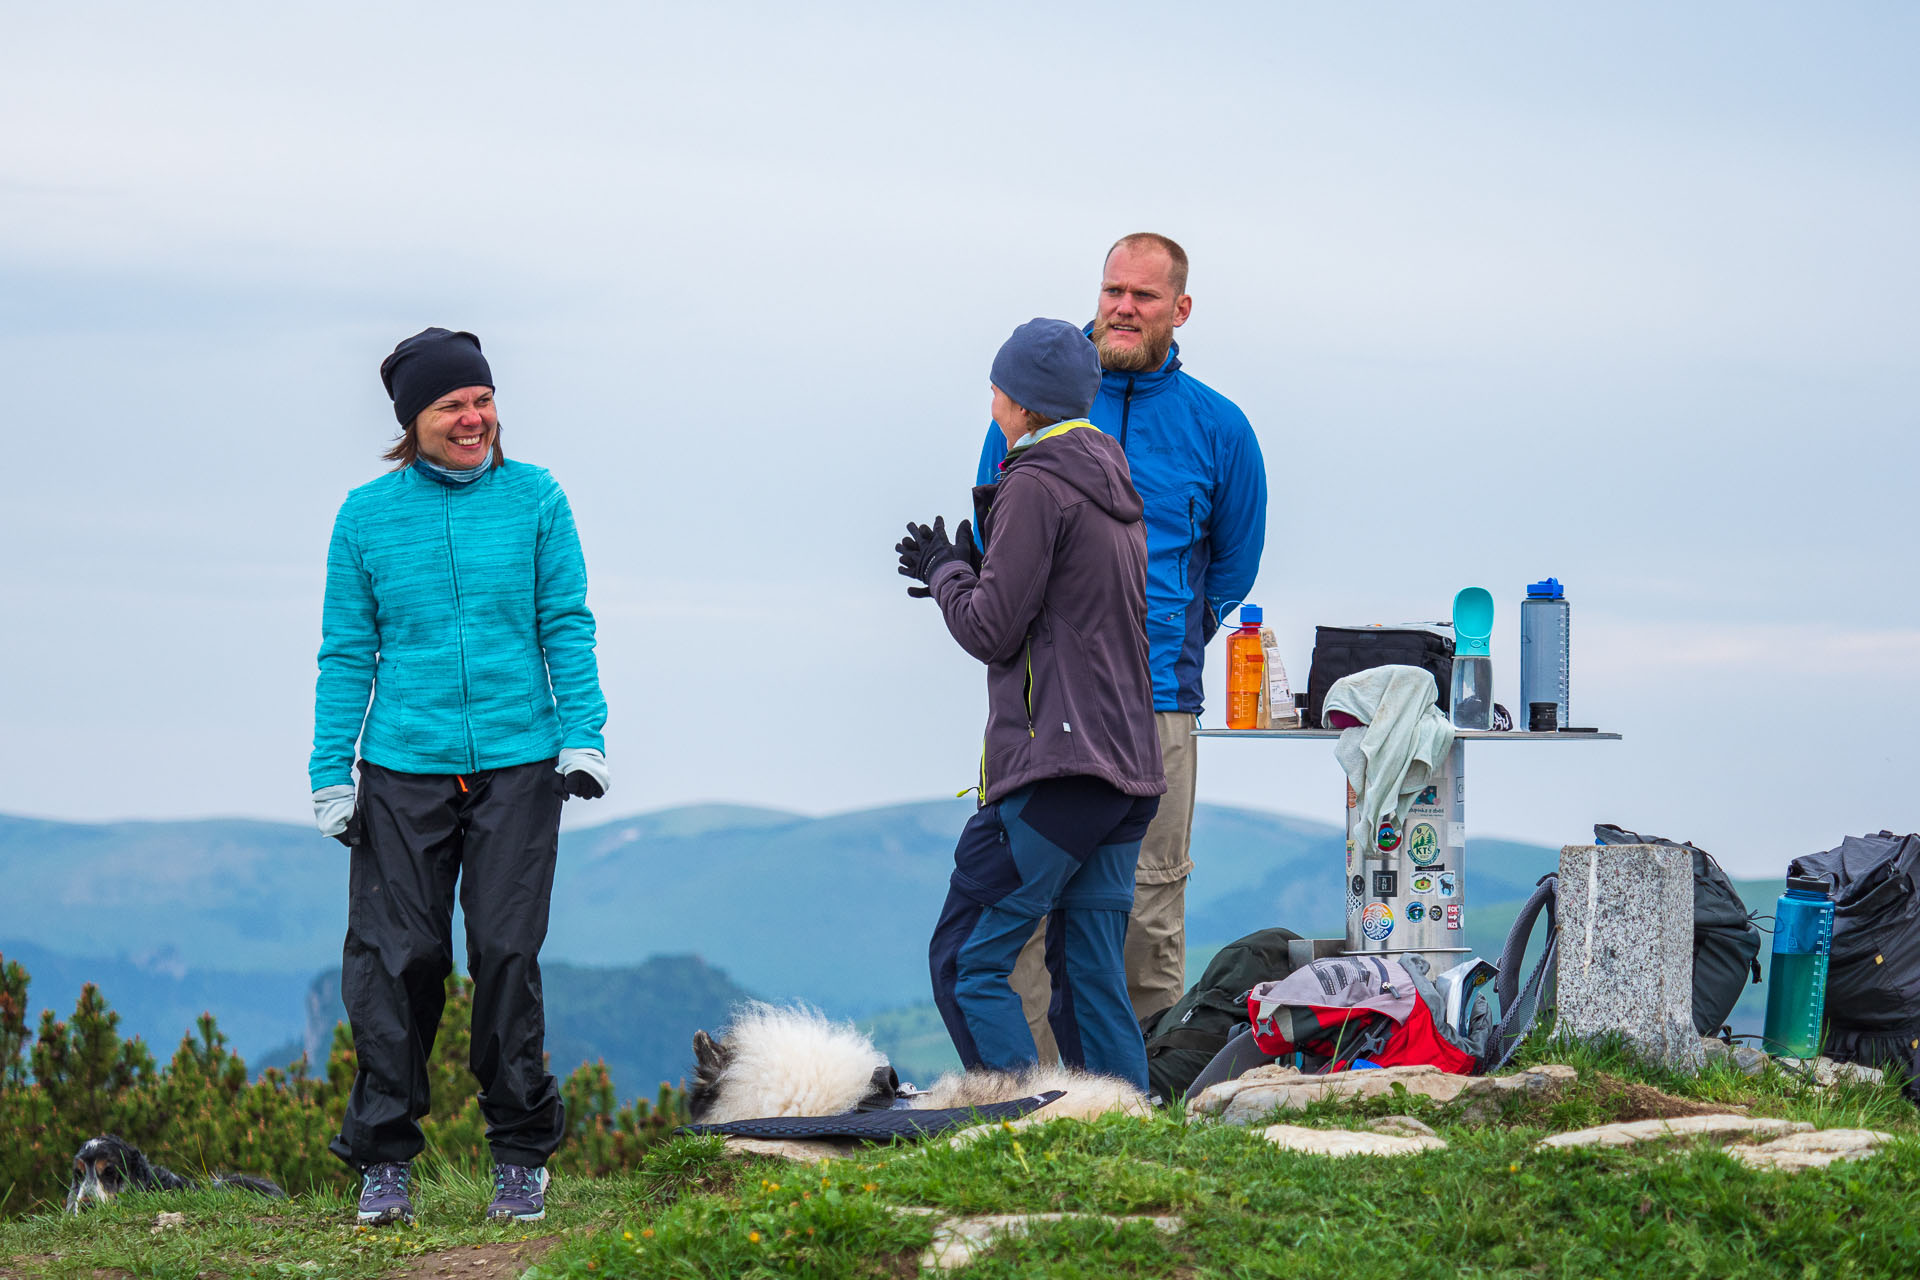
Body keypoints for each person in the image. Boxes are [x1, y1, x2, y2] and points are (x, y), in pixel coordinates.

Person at [308, 327, 611, 1227]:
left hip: (520, 760)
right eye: (453, 406)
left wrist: (583, 736)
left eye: (482, 400)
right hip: (403, 768)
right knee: (398, 963)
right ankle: (383, 1161)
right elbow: (344, 653)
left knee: (508, 954)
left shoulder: (536, 499)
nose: (474, 418)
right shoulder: (366, 516)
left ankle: (520, 1155)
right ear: (415, 421)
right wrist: (332, 772)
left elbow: (567, 620)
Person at [976, 234, 1267, 1051]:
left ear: (1179, 309)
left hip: (1158, 706)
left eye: (1142, 297)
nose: (1122, 309)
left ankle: (1143, 1103)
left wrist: (1169, 638)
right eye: (1112, 291)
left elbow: (1232, 568)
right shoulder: (1034, 406)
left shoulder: (1220, 427)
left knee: (1147, 913)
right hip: (1041, 705)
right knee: (1018, 912)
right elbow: (991, 528)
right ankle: (1023, 1103)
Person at [899, 318, 1166, 1089]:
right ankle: (1128, 1140)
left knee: (966, 958)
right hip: (1129, 769)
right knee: (1087, 974)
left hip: (1057, 767)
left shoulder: (1036, 482)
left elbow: (990, 628)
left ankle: (1020, 1134)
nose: (991, 399)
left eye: (997, 387)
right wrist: (974, 563)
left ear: (1021, 403)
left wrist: (949, 573)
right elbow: (1067, 610)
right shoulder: (1111, 486)